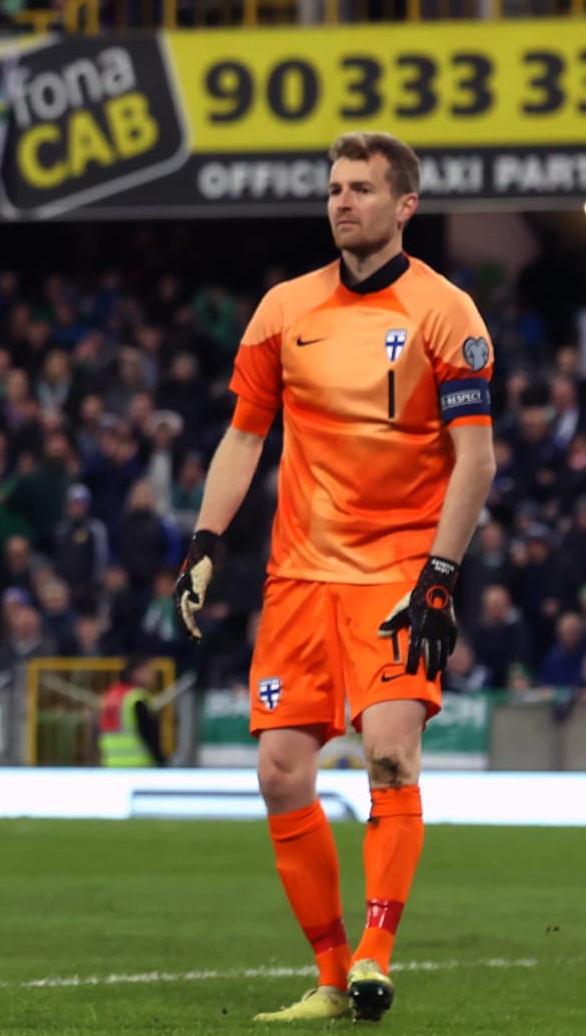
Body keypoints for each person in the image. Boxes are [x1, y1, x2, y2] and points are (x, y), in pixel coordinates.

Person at [173, 132, 496, 1023]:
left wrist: (439, 575)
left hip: (398, 573)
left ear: (405, 206)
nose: (342, 202)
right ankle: (327, 974)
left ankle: (373, 957)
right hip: (300, 578)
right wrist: (204, 542)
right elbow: (244, 437)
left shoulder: (447, 312)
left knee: (390, 754)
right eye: (334, 188)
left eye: (361, 188)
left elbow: (476, 459)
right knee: (280, 773)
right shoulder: (284, 309)